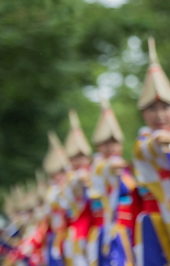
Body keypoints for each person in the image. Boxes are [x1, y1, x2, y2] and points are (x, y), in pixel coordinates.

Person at [132, 37, 170, 266]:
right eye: (151, 108)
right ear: (143, 114)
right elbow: (147, 150)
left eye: (165, 107)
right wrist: (159, 142)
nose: (159, 115)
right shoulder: (144, 141)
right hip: (156, 221)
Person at [88, 99, 140, 266]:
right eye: (105, 142)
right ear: (98, 146)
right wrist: (113, 166)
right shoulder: (98, 167)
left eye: (114, 142)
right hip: (107, 227)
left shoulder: (126, 168)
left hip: (128, 225)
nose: (111, 147)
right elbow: (105, 170)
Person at [62, 110, 93, 266]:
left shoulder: (95, 171)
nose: (81, 160)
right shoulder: (70, 177)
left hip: (97, 222)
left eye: (83, 156)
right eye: (76, 157)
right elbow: (75, 181)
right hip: (78, 223)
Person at [43, 132, 71, 266]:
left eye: (63, 171)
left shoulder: (69, 185)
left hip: (70, 230)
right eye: (58, 172)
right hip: (58, 233)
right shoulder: (52, 191)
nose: (61, 175)